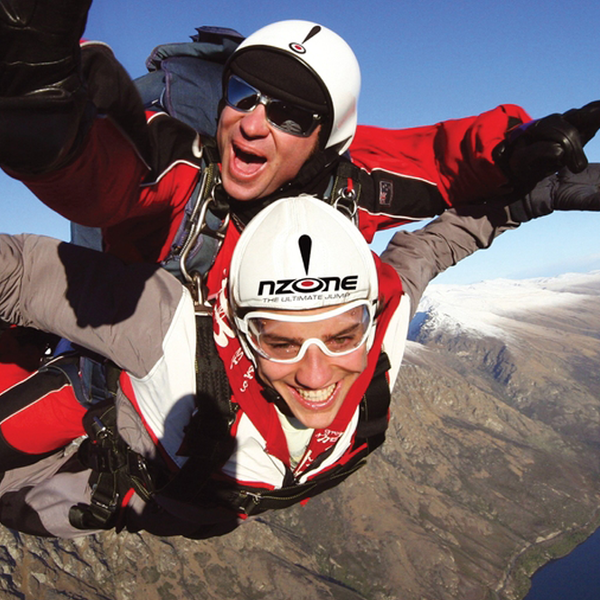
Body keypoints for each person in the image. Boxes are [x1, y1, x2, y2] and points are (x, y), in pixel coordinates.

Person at [0, 180, 598, 539]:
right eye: (281, 342)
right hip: (75, 484)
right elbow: (20, 273)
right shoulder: (167, 326)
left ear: (368, 313)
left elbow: (442, 242)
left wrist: (531, 195)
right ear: (236, 325)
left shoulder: (383, 312)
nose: (316, 377)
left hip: (190, 500)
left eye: (342, 337)